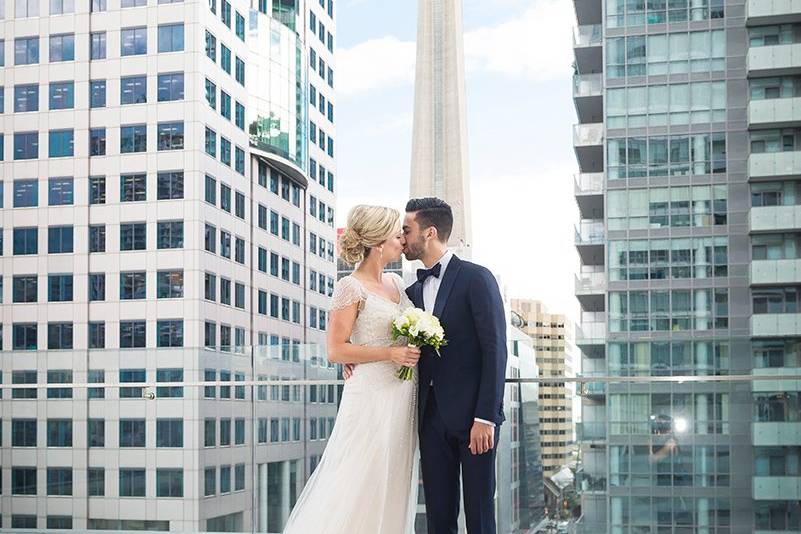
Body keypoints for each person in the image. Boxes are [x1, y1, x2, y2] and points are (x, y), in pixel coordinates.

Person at [281, 205, 421, 534]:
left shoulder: (397, 283)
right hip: (371, 396)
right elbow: (335, 349)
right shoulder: (350, 287)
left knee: (394, 477)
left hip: (402, 395)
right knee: (361, 477)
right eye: (395, 232)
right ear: (377, 242)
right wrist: (390, 353)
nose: (402, 237)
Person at [402, 197, 508, 534]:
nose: (402, 237)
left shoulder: (477, 278)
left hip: (474, 421)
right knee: (438, 518)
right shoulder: (412, 291)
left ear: (429, 232)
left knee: (479, 517)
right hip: (430, 421)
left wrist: (485, 417)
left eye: (407, 230)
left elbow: (495, 349)